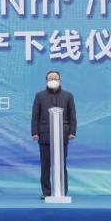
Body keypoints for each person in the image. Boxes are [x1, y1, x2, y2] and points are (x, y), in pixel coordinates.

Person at [31, 71, 76, 200]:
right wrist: (35, 132)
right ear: (46, 80)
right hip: (45, 135)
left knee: (61, 164)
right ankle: (47, 192)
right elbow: (35, 116)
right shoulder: (40, 96)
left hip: (62, 135)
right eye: (50, 78)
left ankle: (62, 191)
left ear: (60, 80)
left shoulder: (68, 96)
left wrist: (72, 132)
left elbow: (72, 116)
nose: (53, 80)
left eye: (55, 78)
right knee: (45, 165)